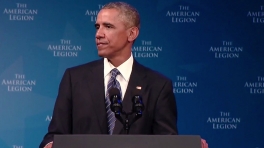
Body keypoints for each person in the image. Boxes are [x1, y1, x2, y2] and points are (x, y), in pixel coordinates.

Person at [39, 2, 208, 148]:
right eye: (97, 27)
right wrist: (49, 145)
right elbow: (54, 135)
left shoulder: (158, 85)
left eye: (108, 26)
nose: (99, 34)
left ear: (132, 34)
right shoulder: (74, 78)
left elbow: (167, 141)